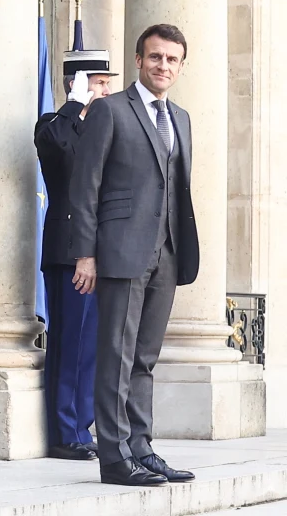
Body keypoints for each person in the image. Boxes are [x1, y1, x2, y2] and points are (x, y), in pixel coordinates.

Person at [69, 24, 199, 487]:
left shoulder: (180, 117)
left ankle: (141, 447)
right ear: (139, 61)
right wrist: (85, 254)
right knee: (116, 355)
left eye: (172, 59)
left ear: (180, 67)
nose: (163, 65)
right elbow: (85, 188)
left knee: (144, 358)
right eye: (155, 57)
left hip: (167, 251)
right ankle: (114, 457)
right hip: (121, 250)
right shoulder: (109, 111)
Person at [35, 50, 116, 461]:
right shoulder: (54, 124)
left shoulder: (108, 128)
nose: (107, 89)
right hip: (69, 253)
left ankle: (82, 428)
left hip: (103, 254)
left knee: (92, 347)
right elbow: (56, 149)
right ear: (77, 83)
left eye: (105, 82)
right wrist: (73, 104)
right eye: (100, 82)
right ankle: (65, 432)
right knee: (70, 343)